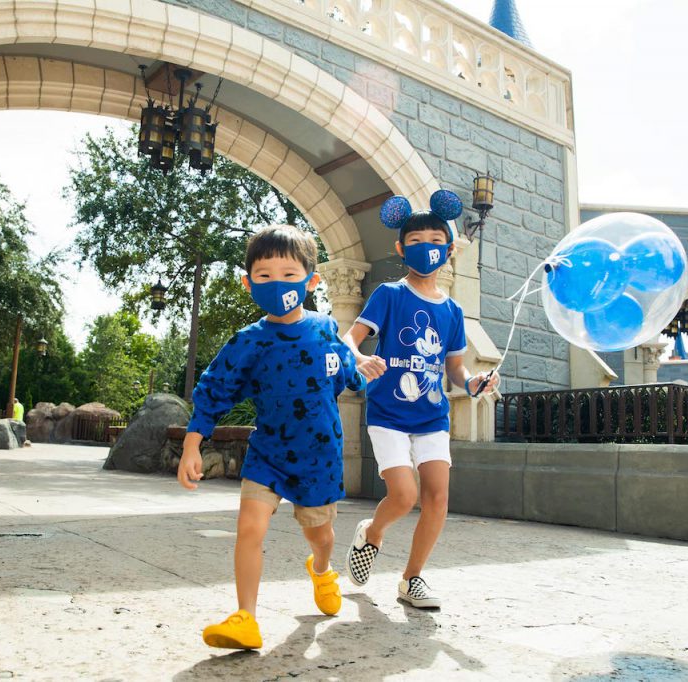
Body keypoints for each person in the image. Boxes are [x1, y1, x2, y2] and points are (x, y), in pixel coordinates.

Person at [177, 225, 366, 650]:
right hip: (268, 453)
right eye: (264, 276)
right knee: (249, 528)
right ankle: (246, 617)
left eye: (288, 273)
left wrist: (362, 373)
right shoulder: (249, 342)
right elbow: (213, 389)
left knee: (320, 535)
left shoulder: (324, 328)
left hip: (318, 457)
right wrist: (193, 442)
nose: (276, 283)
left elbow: (346, 377)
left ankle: (320, 570)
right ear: (248, 283)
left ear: (311, 280)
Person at [342, 191, 499, 609]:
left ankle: (411, 579)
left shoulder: (452, 312)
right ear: (400, 248)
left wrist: (473, 383)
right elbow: (350, 339)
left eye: (435, 240)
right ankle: (372, 533)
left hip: (432, 417)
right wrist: (360, 359)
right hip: (389, 414)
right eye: (416, 241)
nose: (426, 247)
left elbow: (455, 370)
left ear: (448, 249)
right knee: (403, 496)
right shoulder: (390, 295)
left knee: (437, 498)